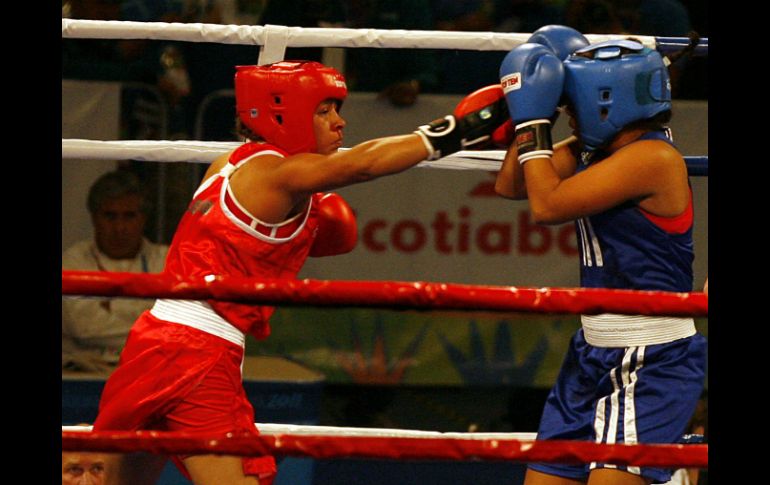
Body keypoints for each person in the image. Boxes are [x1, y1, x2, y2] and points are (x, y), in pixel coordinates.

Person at [92, 60, 512, 485]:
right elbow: (362, 164)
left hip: (153, 340)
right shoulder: (277, 174)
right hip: (197, 353)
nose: (340, 122)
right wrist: (458, 131)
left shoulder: (227, 164)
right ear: (282, 113)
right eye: (324, 111)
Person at [495, 26, 707, 485]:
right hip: (591, 351)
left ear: (605, 98)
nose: (569, 114)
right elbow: (510, 184)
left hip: (652, 356)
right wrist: (538, 111)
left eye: (572, 103)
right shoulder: (594, 152)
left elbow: (546, 205)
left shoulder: (652, 159)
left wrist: (533, 123)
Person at [62, 169, 169, 372]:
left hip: (150, 374)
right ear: (94, 218)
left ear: (143, 219)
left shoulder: (166, 260)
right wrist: (147, 318)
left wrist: (111, 310)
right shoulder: (73, 262)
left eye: (129, 216)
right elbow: (85, 329)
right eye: (110, 216)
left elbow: (177, 329)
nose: (120, 228)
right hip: (82, 379)